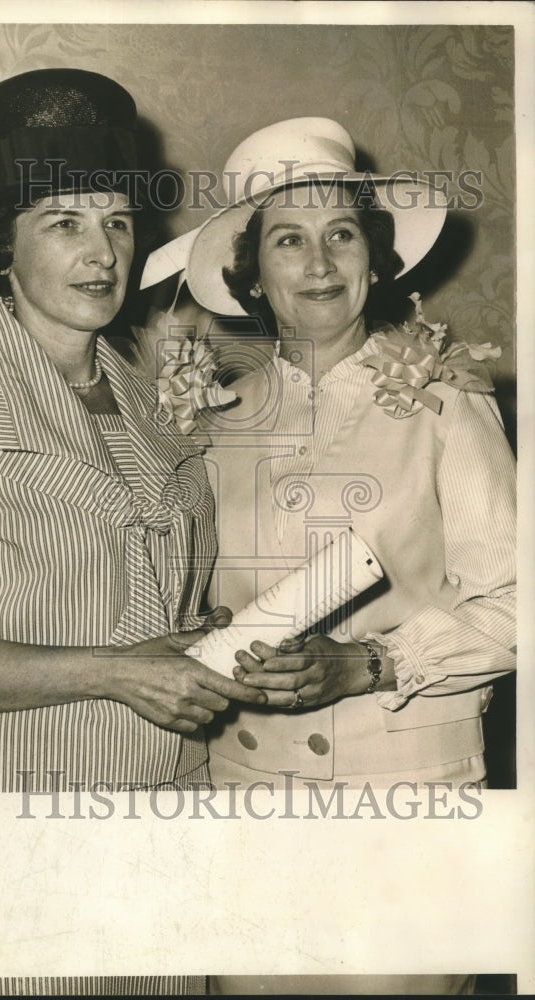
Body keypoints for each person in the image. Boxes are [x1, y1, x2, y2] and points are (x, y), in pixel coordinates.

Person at [142, 117, 516, 996]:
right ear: (252, 275)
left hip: (407, 804)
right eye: (289, 240)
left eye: (341, 235)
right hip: (247, 799)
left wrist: (372, 662)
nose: (318, 263)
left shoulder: (441, 402)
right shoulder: (211, 420)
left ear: (375, 262)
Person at [0, 70, 266, 798]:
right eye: (64, 224)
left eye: (117, 222)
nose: (104, 253)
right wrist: (115, 670)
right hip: (21, 796)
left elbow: (148, 598)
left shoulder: (149, 396)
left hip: (178, 788)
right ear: (2, 249)